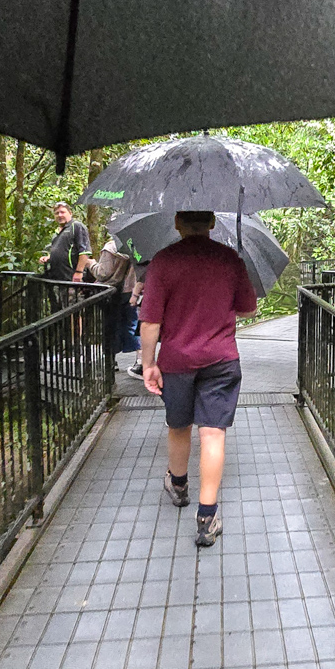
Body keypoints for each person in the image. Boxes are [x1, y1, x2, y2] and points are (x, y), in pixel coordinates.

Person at [138, 211, 257, 547]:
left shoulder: (162, 261)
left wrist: (148, 364)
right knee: (213, 433)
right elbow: (248, 309)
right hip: (220, 359)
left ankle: (178, 485)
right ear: (212, 224)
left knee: (178, 426)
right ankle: (207, 517)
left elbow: (150, 323)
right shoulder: (230, 259)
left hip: (176, 362)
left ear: (177, 223)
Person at [88, 237, 142, 371]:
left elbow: (102, 273)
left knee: (110, 326)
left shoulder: (110, 248)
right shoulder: (134, 246)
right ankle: (141, 361)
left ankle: (110, 362)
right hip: (129, 291)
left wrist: (90, 264)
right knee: (133, 325)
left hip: (110, 293)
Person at [38, 201, 92, 284]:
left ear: (70, 213)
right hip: (58, 278)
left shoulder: (76, 226)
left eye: (62, 212)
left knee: (72, 296)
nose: (60, 215)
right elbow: (64, 250)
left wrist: (79, 272)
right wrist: (49, 257)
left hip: (71, 278)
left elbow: (84, 252)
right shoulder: (58, 232)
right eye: (57, 213)